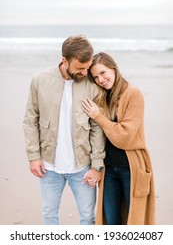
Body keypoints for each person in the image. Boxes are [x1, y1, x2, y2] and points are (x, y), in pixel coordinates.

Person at [23, 36, 105, 225]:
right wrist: (34, 156)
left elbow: (96, 127)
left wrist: (96, 165)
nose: (85, 72)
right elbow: (30, 120)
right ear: (64, 60)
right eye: (79, 68)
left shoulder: (92, 85)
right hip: (49, 167)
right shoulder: (40, 80)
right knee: (49, 216)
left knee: (88, 217)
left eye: (87, 67)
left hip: (83, 167)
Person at [82, 52, 155, 225]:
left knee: (134, 222)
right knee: (111, 222)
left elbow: (124, 137)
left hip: (132, 168)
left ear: (113, 68)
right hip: (109, 170)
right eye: (95, 77)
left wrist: (98, 116)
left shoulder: (134, 94)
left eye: (103, 72)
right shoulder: (101, 96)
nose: (100, 79)